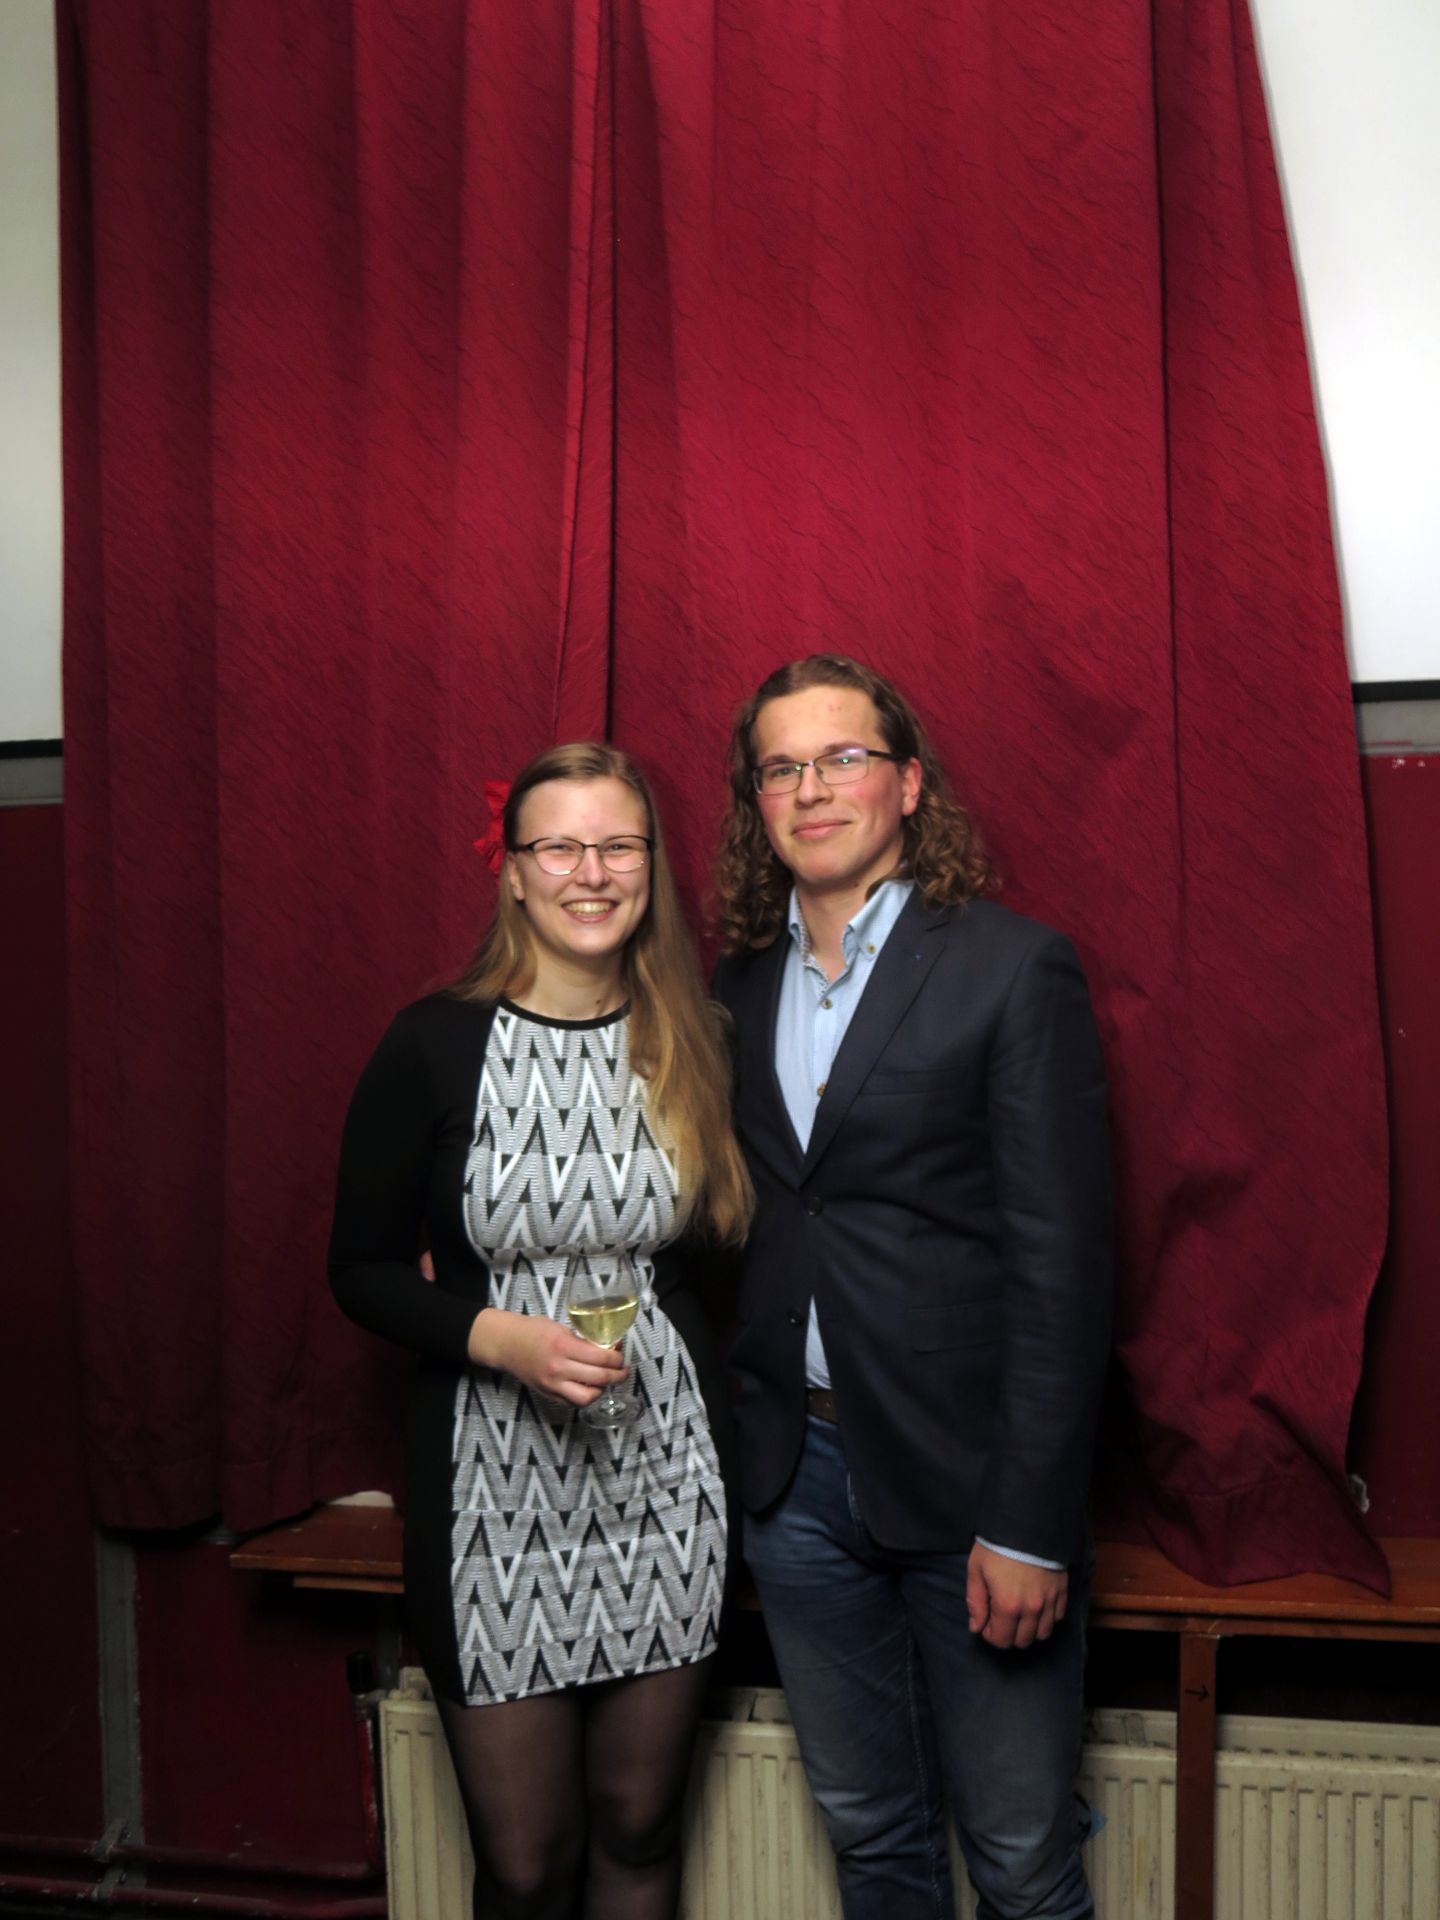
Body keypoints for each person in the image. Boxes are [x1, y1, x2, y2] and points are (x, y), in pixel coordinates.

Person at [710, 655, 1112, 1920]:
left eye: (844, 758)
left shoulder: (1011, 967)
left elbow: (1063, 1266)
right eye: (781, 767)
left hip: (971, 1486)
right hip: (796, 1483)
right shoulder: (735, 985)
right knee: (871, 1837)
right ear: (757, 801)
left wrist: (1029, 1524)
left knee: (1021, 1858)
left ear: (909, 784)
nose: (811, 788)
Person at [329, 741, 751, 1920]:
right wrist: (498, 1338)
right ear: (512, 871)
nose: (591, 873)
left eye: (618, 845)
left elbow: (724, 1263)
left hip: (666, 1479)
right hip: (492, 1495)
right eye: (558, 847)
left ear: (651, 866)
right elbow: (359, 1270)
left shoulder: (700, 1034)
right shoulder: (432, 1043)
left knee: (641, 1830)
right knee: (525, 1867)